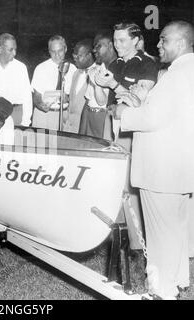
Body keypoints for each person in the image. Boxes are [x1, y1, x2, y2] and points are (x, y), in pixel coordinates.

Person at [112, 20, 194, 299]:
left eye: (164, 40)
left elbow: (153, 117)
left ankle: (161, 290)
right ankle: (180, 279)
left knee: (160, 232)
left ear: (181, 44)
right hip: (181, 166)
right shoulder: (189, 72)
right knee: (177, 227)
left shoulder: (174, 75)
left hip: (161, 167)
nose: (158, 45)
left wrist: (122, 114)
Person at [94, 23, 159, 251]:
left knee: (130, 185)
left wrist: (112, 83)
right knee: (112, 182)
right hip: (110, 122)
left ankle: (138, 244)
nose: (117, 45)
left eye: (122, 40)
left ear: (135, 40)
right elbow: (102, 101)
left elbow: (137, 101)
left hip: (130, 129)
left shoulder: (147, 64)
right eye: (115, 40)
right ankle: (117, 238)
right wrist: (98, 84)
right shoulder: (115, 63)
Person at [31, 35, 77, 130]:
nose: (57, 55)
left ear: (65, 49)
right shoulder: (40, 68)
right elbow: (36, 96)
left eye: (60, 51)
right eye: (53, 52)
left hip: (65, 115)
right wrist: (40, 104)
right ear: (49, 51)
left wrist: (68, 98)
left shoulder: (73, 69)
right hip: (44, 115)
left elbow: (76, 97)